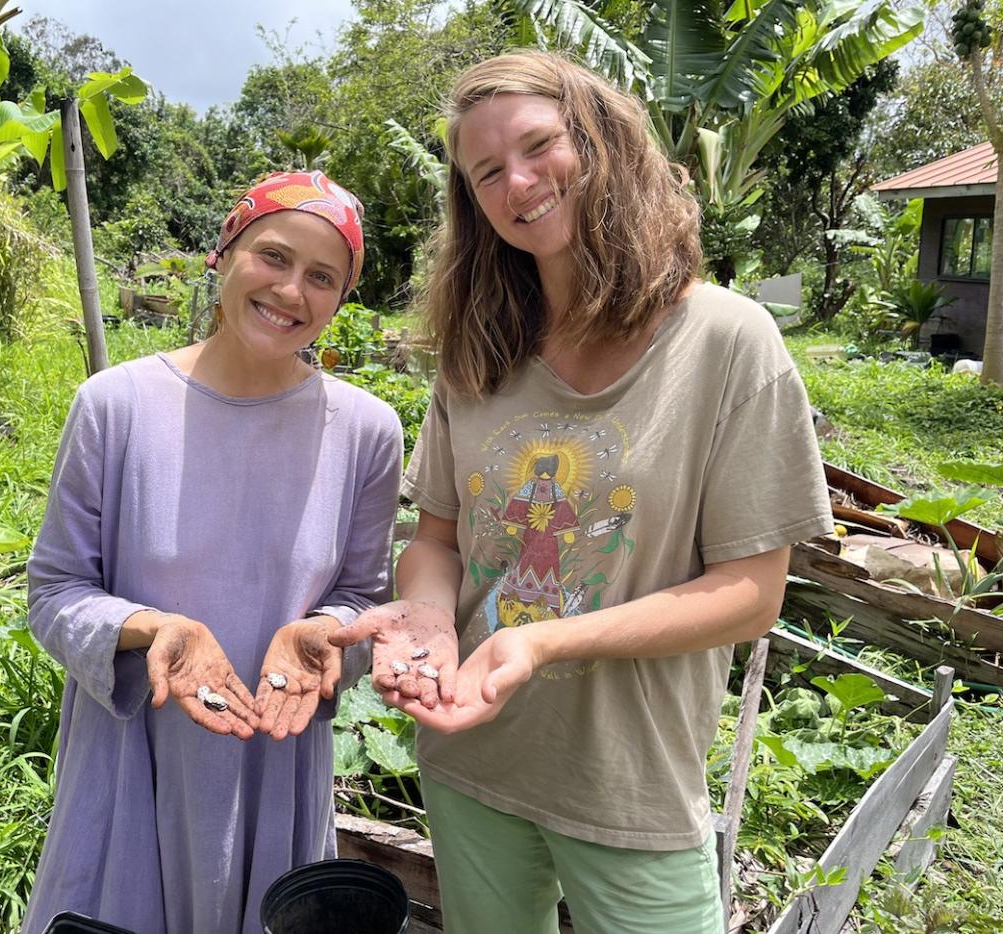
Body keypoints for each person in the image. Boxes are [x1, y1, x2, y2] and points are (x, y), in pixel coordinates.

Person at [330, 51, 832, 933]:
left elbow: (753, 594)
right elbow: (438, 541)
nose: (517, 182)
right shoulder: (479, 349)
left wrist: (543, 644)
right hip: (470, 753)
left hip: (629, 783)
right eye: (487, 171)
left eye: (538, 145)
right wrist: (427, 621)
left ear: (599, 140)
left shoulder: (726, 341)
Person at [24, 170, 403, 934]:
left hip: (277, 760)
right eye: (273, 256)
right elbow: (55, 591)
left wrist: (322, 634)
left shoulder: (366, 430)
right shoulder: (116, 404)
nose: (292, 291)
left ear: (341, 298)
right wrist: (153, 628)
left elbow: (364, 595)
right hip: (134, 761)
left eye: (322, 277)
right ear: (223, 254)